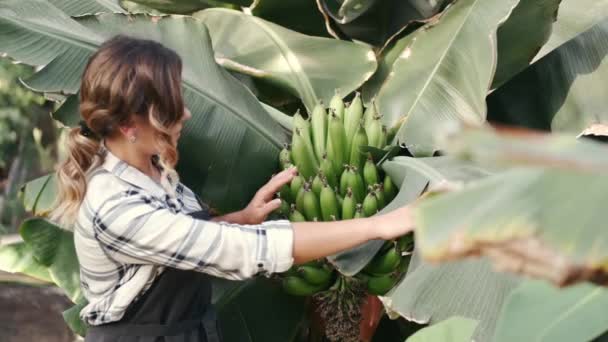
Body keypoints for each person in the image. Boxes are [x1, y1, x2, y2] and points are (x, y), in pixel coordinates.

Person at [48, 35, 414, 342]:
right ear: (131, 127)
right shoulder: (115, 207)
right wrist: (378, 226)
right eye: (174, 105)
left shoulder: (155, 171)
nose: (188, 113)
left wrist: (244, 217)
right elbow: (243, 251)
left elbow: (182, 243)